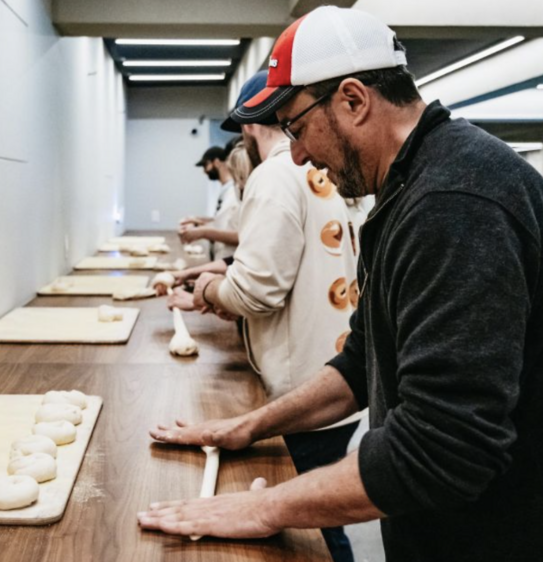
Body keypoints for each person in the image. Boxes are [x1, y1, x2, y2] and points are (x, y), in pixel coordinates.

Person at [138, 7, 543, 562]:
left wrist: (262, 507)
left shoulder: (454, 204)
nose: (299, 153)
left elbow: (441, 447)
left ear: (353, 100)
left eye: (299, 128)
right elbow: (363, 362)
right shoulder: (411, 188)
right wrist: (248, 427)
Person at [168, 71, 365, 562]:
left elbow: (259, 290)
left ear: (251, 128)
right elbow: (292, 263)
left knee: (314, 525)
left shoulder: (276, 174)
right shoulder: (326, 173)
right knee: (320, 516)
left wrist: (210, 288)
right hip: (339, 371)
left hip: (306, 385)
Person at [181, 142, 249, 260]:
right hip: (221, 258)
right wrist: (198, 222)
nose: (204, 171)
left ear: (217, 162)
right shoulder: (227, 191)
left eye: (205, 165)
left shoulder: (236, 193)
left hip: (231, 259)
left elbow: (241, 234)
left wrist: (203, 232)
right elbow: (224, 221)